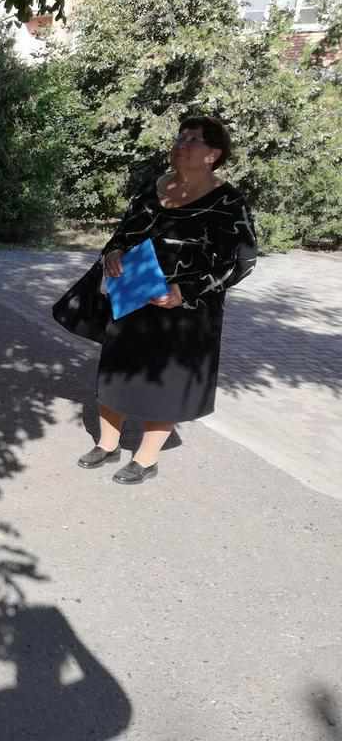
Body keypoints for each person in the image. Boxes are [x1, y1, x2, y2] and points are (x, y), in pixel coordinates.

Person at [78, 116, 257, 483]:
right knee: (115, 370)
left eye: (193, 140)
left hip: (186, 310)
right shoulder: (153, 187)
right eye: (180, 137)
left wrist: (186, 291)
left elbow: (241, 261)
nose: (181, 143)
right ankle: (108, 444)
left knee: (165, 382)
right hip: (134, 294)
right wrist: (113, 253)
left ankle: (146, 458)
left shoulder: (229, 201)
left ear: (213, 155)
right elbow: (123, 233)